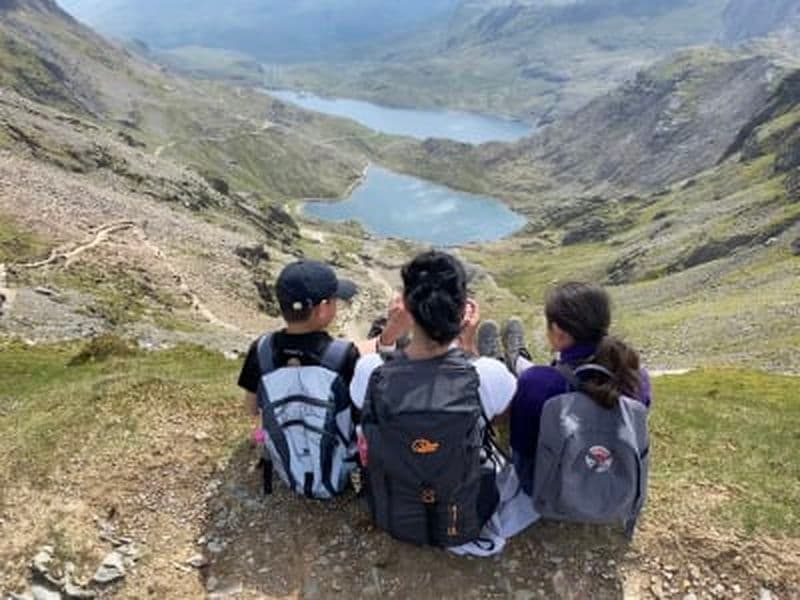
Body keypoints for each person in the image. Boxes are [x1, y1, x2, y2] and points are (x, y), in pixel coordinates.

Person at [349, 250, 517, 547]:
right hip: (464, 516)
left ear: (408, 309)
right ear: (462, 311)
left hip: (392, 514)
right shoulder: (489, 374)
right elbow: (497, 420)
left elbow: (362, 400)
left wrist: (389, 335)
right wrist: (467, 343)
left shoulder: (371, 371)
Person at [237, 259, 405, 499]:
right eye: (334, 300)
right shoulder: (343, 355)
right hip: (338, 474)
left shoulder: (261, 349)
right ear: (323, 308)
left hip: (287, 470)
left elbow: (251, 408)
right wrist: (386, 341)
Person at [503, 282, 652, 497]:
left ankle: (509, 362)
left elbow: (521, 446)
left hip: (547, 488)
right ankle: (516, 359)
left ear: (557, 331)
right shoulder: (636, 377)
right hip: (614, 487)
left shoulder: (535, 381)